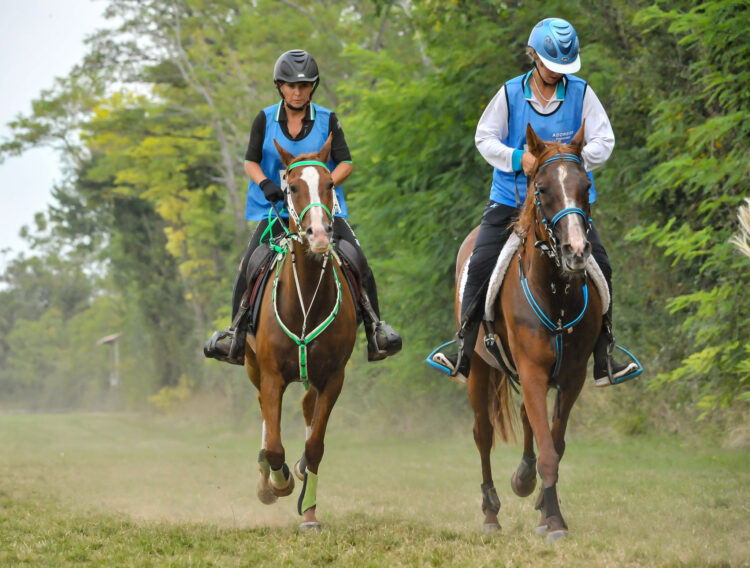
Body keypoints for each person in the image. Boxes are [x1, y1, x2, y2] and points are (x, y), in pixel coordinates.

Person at [433, 18, 638, 387]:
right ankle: (463, 347)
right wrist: (519, 159)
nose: (557, 74)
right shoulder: (510, 94)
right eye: (551, 66)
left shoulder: (582, 92)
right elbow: (485, 138)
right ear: (534, 57)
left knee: (602, 264)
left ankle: (606, 350)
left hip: (565, 206)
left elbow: (604, 141)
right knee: (479, 264)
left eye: (564, 68)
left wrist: (569, 164)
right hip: (511, 201)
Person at [204, 49, 401, 365]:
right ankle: (236, 334)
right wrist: (267, 185)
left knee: (357, 258)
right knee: (250, 264)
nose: (298, 92)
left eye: (305, 85)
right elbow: (250, 162)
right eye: (291, 86)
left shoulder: (328, 119)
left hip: (323, 211)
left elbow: (346, 162)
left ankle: (375, 329)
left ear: (313, 86)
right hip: (277, 213)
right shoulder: (265, 119)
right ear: (279, 86)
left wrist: (325, 186)